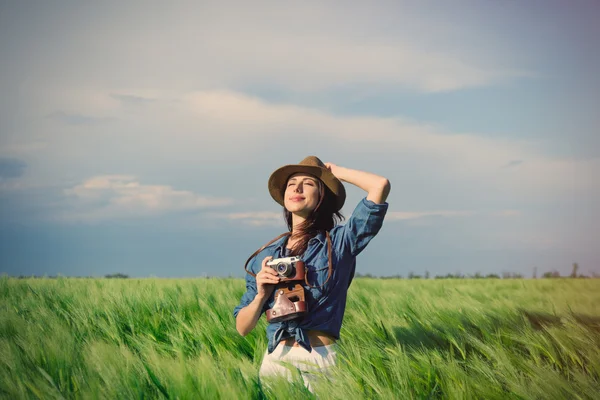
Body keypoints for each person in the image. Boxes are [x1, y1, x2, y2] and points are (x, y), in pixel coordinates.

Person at [233, 156, 390, 391]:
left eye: (308, 183)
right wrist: (261, 296)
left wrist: (333, 172)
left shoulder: (338, 243)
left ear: (321, 195)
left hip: (320, 360)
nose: (296, 188)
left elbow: (379, 186)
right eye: (291, 183)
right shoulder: (265, 256)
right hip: (275, 360)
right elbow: (242, 328)